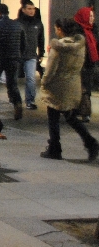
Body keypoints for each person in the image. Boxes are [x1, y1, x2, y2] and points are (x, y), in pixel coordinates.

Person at [39, 18, 99, 160]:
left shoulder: (59, 47)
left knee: (53, 116)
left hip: (57, 86)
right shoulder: (80, 45)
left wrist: (44, 83)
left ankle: (55, 148)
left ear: (60, 29)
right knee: (70, 116)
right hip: (73, 84)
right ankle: (90, 142)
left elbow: (51, 70)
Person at [0, 3, 25, 120]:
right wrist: (19, 55)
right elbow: (23, 43)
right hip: (13, 59)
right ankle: (17, 102)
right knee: (12, 83)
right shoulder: (17, 25)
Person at [17, 0, 45, 109]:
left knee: (31, 78)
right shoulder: (18, 23)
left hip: (31, 56)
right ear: (23, 10)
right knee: (12, 79)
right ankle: (15, 100)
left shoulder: (38, 23)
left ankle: (30, 101)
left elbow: (41, 39)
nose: (31, 11)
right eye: (29, 9)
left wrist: (41, 53)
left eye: (33, 9)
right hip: (17, 56)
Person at [73, 6, 98, 122]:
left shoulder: (93, 30)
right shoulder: (76, 31)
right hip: (78, 64)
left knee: (86, 89)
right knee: (79, 89)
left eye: (93, 16)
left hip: (89, 64)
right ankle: (80, 111)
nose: (92, 18)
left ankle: (85, 112)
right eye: (90, 16)